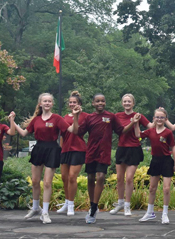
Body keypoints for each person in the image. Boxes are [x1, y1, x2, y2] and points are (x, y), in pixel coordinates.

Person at [15, 93, 80, 224]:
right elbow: (23, 133)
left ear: (52, 104)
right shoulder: (36, 119)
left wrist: (76, 116)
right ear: (40, 103)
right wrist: (12, 122)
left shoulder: (57, 118)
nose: (47, 103)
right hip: (38, 149)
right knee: (34, 181)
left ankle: (45, 212)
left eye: (49, 101)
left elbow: (73, 130)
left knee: (47, 182)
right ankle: (35, 208)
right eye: (45, 101)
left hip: (52, 149)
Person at [77, 94, 133, 224]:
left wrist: (133, 122)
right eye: (97, 101)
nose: (100, 103)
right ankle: (92, 205)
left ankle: (94, 207)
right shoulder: (89, 118)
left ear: (105, 102)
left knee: (101, 176)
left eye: (102, 101)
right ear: (93, 103)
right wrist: (75, 117)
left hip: (104, 152)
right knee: (91, 178)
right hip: (91, 152)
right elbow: (79, 132)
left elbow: (122, 130)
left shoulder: (111, 117)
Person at [111, 94, 154, 216]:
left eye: (129, 101)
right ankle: (120, 203)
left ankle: (127, 205)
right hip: (121, 149)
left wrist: (159, 117)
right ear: (122, 103)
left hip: (134, 149)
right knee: (119, 178)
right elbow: (118, 130)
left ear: (133, 103)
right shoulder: (117, 116)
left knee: (129, 178)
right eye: (125, 101)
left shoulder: (138, 116)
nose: (127, 103)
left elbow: (151, 127)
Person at [134, 108, 175, 224]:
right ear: (153, 119)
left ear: (165, 119)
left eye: (162, 117)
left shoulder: (168, 132)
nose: (159, 119)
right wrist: (136, 123)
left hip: (166, 161)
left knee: (166, 188)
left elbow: (173, 147)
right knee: (152, 188)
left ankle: (165, 214)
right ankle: (150, 212)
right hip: (155, 161)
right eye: (157, 117)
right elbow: (138, 135)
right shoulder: (150, 131)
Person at [57, 91, 89, 216]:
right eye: (70, 102)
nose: (72, 104)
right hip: (65, 150)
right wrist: (60, 149)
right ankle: (66, 202)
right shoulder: (64, 117)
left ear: (79, 104)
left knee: (72, 177)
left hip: (78, 149)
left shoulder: (85, 116)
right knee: (64, 178)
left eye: (74, 102)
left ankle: (71, 204)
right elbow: (62, 135)